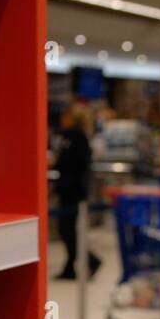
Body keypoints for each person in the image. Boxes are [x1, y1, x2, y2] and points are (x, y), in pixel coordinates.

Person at [53, 102, 100, 280]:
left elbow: (71, 162)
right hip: (73, 190)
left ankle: (89, 260)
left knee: (68, 230)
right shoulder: (78, 137)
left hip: (72, 190)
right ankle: (71, 266)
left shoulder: (74, 137)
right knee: (68, 230)